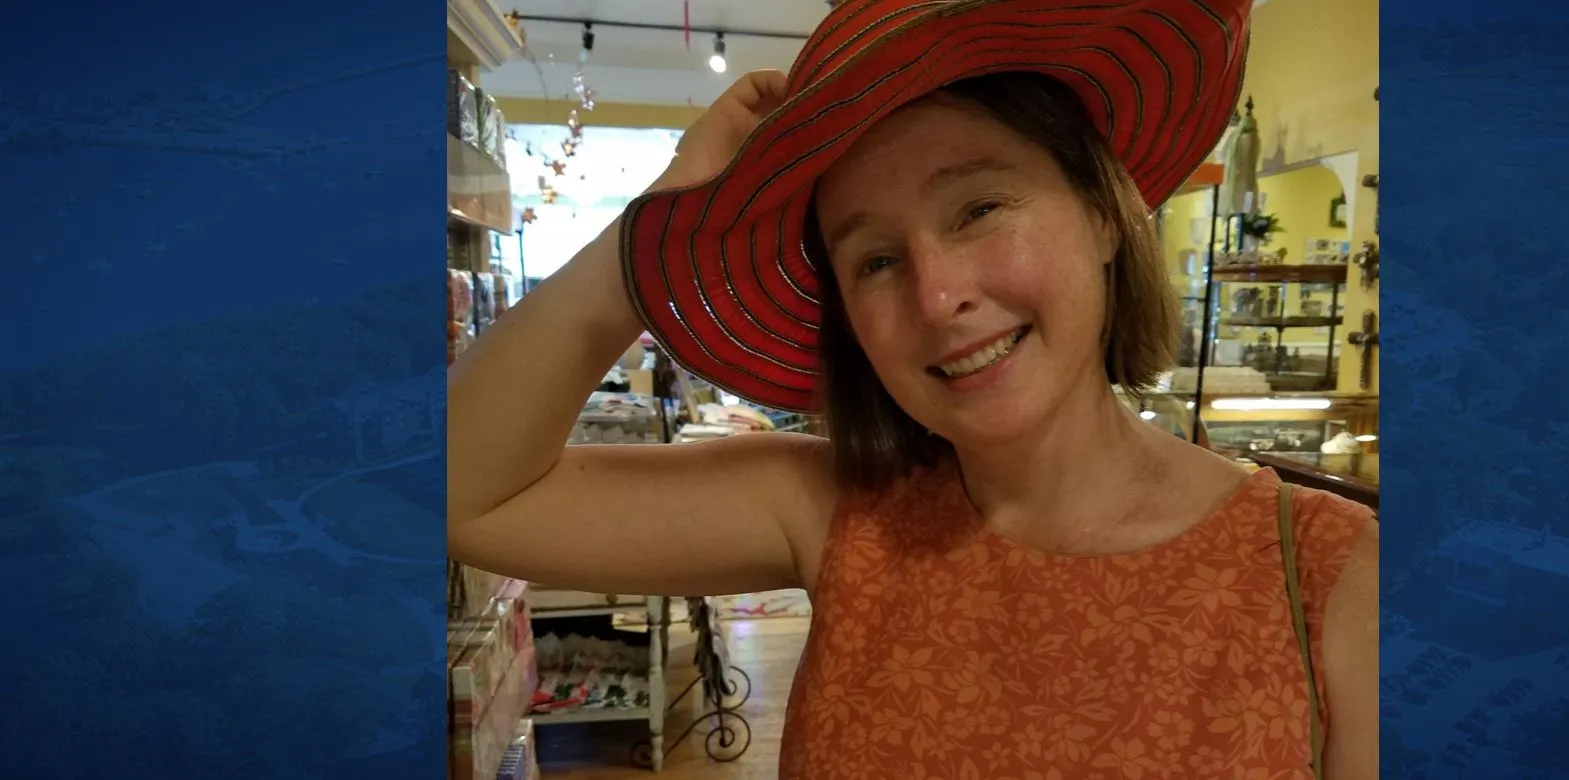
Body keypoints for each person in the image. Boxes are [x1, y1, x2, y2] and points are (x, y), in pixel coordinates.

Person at [450, 1, 1377, 777]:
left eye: (978, 208)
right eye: (877, 259)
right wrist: (648, 235)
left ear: (1104, 211)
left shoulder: (1334, 580)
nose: (938, 297)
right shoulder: (838, 515)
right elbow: (462, 491)